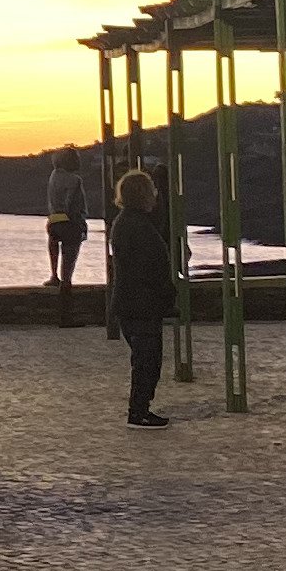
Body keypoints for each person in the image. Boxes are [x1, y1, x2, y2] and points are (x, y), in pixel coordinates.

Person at [107, 164, 175, 428]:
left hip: (135, 302)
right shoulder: (134, 226)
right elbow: (149, 266)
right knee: (146, 360)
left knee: (146, 359)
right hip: (140, 303)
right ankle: (138, 412)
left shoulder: (129, 222)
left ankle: (141, 409)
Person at [45, 155, 93, 290]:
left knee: (53, 244)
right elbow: (73, 202)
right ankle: (66, 281)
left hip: (54, 219)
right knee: (70, 251)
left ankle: (54, 276)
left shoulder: (53, 176)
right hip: (70, 221)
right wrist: (81, 223)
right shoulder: (75, 180)